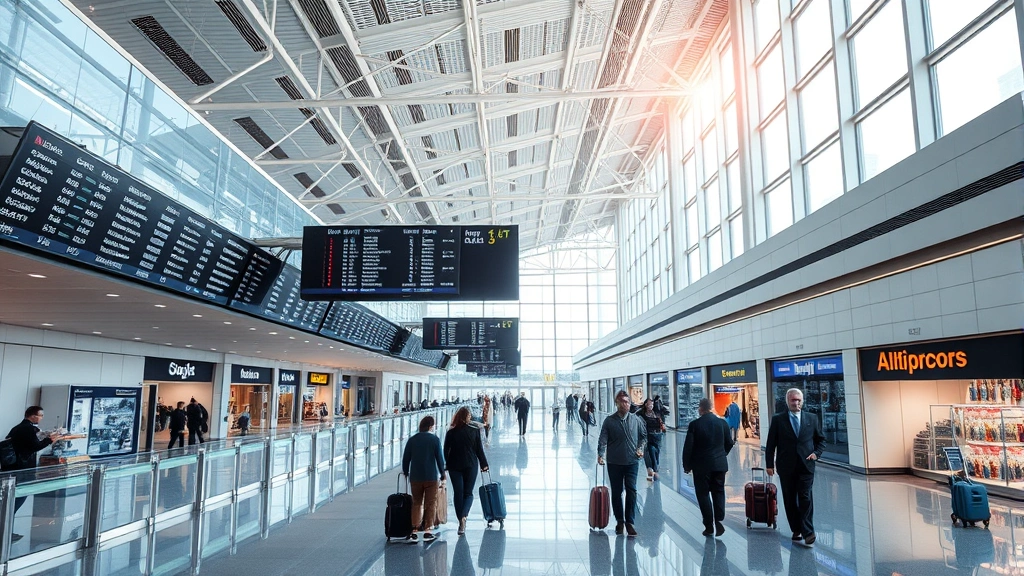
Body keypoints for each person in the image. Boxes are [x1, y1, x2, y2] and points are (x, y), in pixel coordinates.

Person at [765, 388, 826, 546]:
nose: (796, 403)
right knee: (790, 499)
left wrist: (816, 454)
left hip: (806, 465)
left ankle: (808, 531)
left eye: (799, 400)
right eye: (793, 400)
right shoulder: (778, 420)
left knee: (805, 498)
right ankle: (796, 529)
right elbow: (771, 444)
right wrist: (769, 464)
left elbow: (821, 440)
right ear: (787, 401)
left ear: (802, 401)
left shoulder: (812, 419)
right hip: (786, 466)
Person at [597, 391, 647, 537]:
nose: (626, 404)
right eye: (623, 401)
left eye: (627, 401)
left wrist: (640, 448)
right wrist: (600, 454)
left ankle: (630, 522)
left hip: (632, 462)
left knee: (632, 490)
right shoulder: (609, 421)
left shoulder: (636, 420)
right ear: (616, 404)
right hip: (614, 462)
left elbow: (643, 437)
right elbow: (602, 439)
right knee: (617, 492)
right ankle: (620, 520)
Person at [682, 398, 734, 537]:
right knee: (719, 492)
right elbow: (729, 442)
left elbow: (688, 447)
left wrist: (687, 465)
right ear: (711, 407)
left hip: (701, 466)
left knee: (703, 494)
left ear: (701, 408)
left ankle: (709, 525)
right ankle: (719, 520)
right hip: (719, 465)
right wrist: (722, 455)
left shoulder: (695, 425)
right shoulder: (722, 423)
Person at [7, 405, 55, 535]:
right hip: (23, 469)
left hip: (12, 468)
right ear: (33, 416)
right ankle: (6, 531)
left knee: (11, 501)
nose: (41, 418)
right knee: (17, 500)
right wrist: (50, 440)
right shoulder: (28, 429)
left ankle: (6, 530)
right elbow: (35, 446)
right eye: (41, 415)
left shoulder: (17, 428)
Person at [444, 407, 489, 536]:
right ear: (467, 417)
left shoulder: (451, 433)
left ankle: (460, 521)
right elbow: (479, 450)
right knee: (468, 493)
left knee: (458, 493)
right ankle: (464, 516)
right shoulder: (474, 431)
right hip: (471, 465)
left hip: (454, 465)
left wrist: (447, 464)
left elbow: (446, 450)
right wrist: (484, 464)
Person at [402, 415, 446, 543]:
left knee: (416, 502)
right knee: (430, 503)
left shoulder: (412, 440)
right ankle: (427, 530)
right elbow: (439, 459)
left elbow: (406, 458)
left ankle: (414, 531)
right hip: (431, 476)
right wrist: (442, 473)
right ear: (431, 426)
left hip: (415, 477)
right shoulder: (434, 440)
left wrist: (406, 471)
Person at [638, 398, 665, 481]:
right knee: (651, 453)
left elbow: (662, 422)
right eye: (650, 404)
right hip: (648, 436)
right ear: (646, 404)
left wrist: (662, 427)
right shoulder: (641, 414)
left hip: (657, 436)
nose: (651, 406)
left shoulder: (656, 413)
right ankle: (653, 470)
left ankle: (653, 470)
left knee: (657, 454)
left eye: (652, 404)